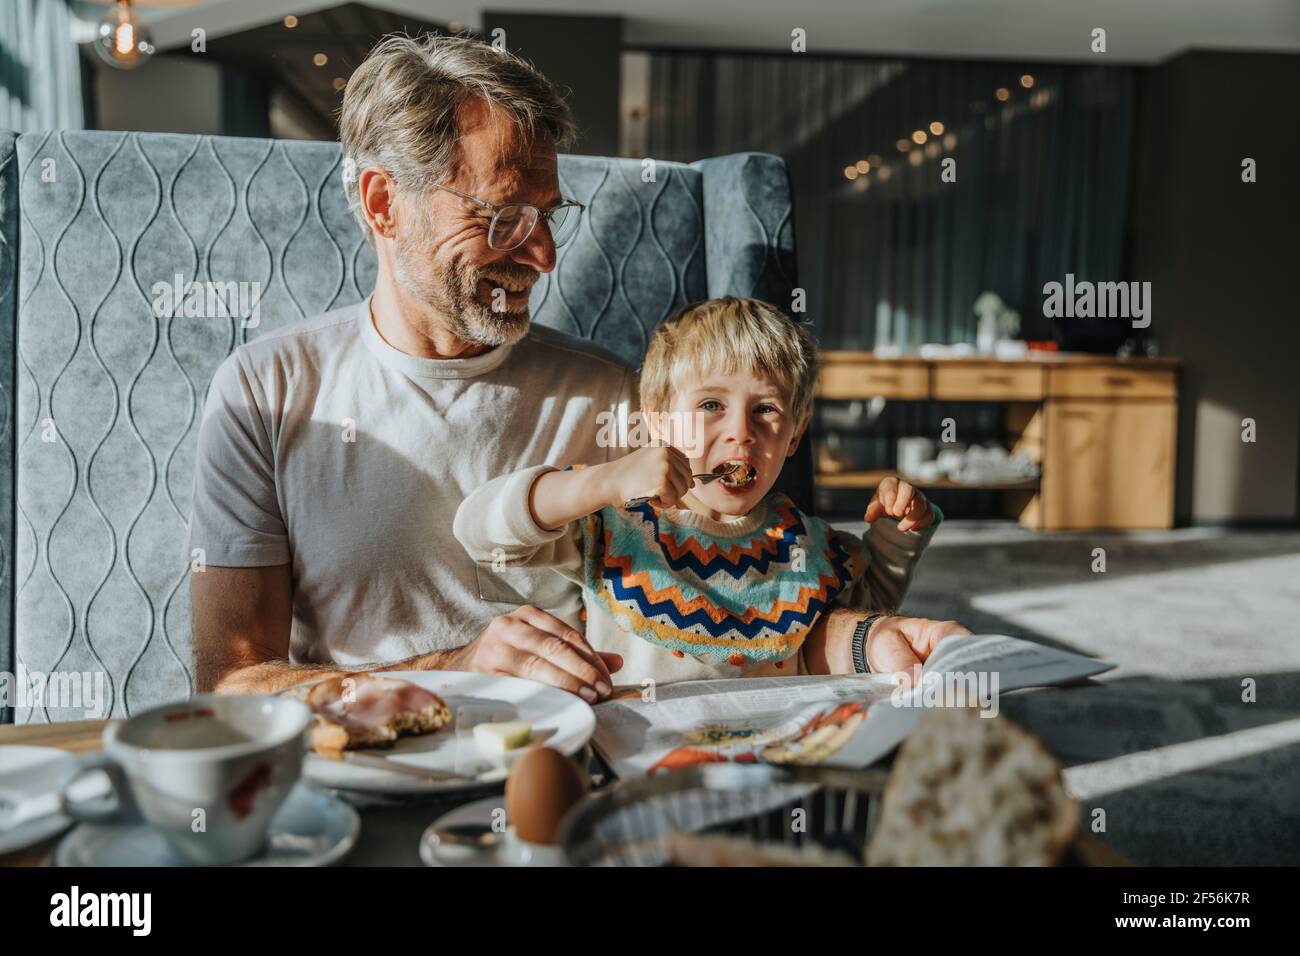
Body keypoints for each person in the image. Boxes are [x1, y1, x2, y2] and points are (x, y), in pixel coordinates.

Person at [454, 297, 964, 685]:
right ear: (657, 421)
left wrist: (895, 535)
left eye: (765, 410)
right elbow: (480, 533)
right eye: (710, 406)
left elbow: (870, 613)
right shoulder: (612, 526)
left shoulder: (806, 543)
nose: (741, 432)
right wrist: (601, 481)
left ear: (796, 434)